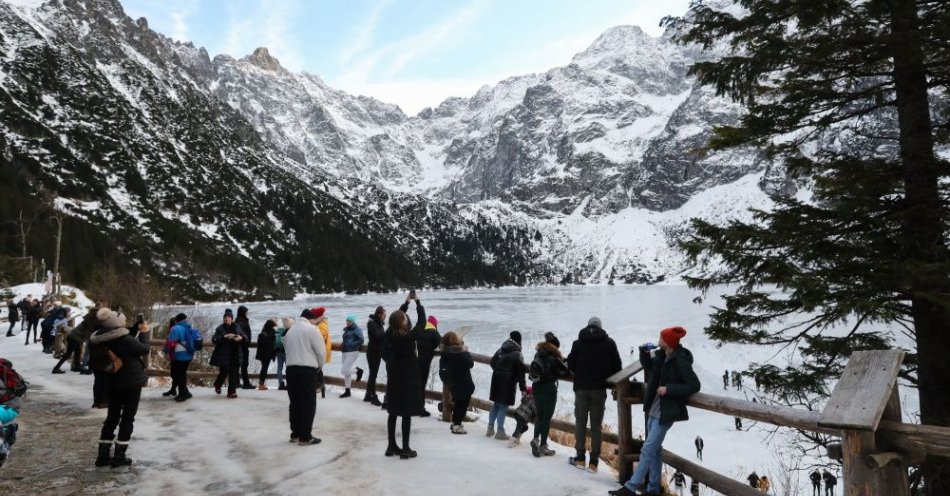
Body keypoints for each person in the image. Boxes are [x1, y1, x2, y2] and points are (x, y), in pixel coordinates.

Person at [609, 326, 701, 496]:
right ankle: (653, 489)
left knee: (648, 448)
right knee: (655, 450)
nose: (658, 340)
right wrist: (643, 353)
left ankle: (630, 487)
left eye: (661, 338)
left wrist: (669, 389)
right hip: (653, 409)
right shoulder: (661, 355)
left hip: (666, 412)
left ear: (667, 342)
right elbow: (648, 365)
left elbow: (694, 385)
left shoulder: (680, 360)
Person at [90, 308, 149, 467]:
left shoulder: (98, 337)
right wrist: (144, 333)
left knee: (112, 417)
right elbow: (144, 349)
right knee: (128, 418)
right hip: (131, 383)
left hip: (111, 382)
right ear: (116, 323)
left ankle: (102, 456)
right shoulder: (124, 340)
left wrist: (135, 328)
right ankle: (119, 456)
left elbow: (122, 335)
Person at [567, 316, 622, 473]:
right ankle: (594, 462)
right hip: (599, 389)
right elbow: (617, 367)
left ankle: (579, 458)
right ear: (600, 327)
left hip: (581, 388)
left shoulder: (578, 343)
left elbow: (570, 365)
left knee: (580, 423)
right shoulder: (609, 343)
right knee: (596, 426)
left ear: (588, 326)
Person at [381, 294, 426, 459]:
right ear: (402, 322)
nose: (406, 319)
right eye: (404, 318)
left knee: (393, 411)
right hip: (409, 377)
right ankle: (406, 448)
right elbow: (422, 321)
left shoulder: (389, 334)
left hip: (394, 376)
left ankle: (391, 445)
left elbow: (385, 353)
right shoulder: (409, 336)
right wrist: (418, 302)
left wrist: (406, 303)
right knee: (406, 413)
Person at [284, 308, 327, 446]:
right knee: (308, 403)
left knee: (295, 402)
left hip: (290, 369)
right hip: (306, 370)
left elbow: (286, 349)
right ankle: (305, 436)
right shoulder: (312, 329)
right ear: (312, 319)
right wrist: (319, 366)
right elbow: (321, 352)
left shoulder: (290, 331)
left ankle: (295, 433)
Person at [529, 332, 567, 459]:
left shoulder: (538, 353)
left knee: (539, 415)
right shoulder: (554, 358)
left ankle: (535, 439)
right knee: (546, 418)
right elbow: (564, 370)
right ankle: (543, 445)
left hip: (536, 388)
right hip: (549, 389)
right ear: (555, 347)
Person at [487, 331, 526, 441]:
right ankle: (500, 431)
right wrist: (522, 388)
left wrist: (499, 371)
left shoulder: (501, 349)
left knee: (496, 405)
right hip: (507, 383)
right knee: (503, 407)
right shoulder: (518, 354)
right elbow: (521, 373)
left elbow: (492, 363)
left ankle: (490, 429)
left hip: (496, 381)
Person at [404, 302, 439, 418]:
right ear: (434, 324)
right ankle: (420, 408)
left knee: (415, 384)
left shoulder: (419, 330)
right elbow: (440, 344)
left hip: (415, 361)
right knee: (421, 386)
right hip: (424, 363)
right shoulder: (434, 332)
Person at [438, 331, 474, 434]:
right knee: (462, 405)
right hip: (464, 383)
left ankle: (455, 423)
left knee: (458, 403)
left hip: (453, 384)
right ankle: (457, 425)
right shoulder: (459, 353)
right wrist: (465, 350)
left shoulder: (444, 353)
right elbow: (470, 364)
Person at [209, 309, 248, 398]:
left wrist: (241, 338)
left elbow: (245, 337)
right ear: (223, 319)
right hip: (223, 355)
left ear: (232, 318)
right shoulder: (220, 329)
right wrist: (223, 336)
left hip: (235, 354)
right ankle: (217, 384)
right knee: (224, 372)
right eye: (225, 317)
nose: (227, 319)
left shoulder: (237, 327)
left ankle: (231, 392)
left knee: (233, 373)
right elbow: (214, 339)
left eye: (228, 317)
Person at [163, 313, 197, 402]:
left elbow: (171, 342)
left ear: (177, 320)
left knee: (179, 375)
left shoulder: (175, 328)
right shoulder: (189, 327)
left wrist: (166, 350)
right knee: (182, 374)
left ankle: (183, 394)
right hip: (189, 355)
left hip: (180, 355)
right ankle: (186, 393)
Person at [364, 306, 386, 406]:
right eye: (384, 315)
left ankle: (368, 395)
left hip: (377, 352)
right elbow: (377, 337)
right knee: (373, 374)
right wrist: (387, 335)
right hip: (373, 352)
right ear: (379, 315)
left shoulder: (379, 323)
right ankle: (373, 396)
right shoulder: (372, 324)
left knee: (373, 374)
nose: (385, 317)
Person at [340, 315, 365, 398]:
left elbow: (361, 339)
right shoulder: (347, 329)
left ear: (353, 321)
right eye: (347, 320)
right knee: (347, 373)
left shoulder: (357, 329)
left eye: (349, 321)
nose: (347, 322)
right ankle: (347, 391)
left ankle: (358, 371)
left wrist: (352, 345)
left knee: (344, 370)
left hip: (352, 352)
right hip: (345, 352)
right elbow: (346, 340)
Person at [312, 307, 332, 398]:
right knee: (317, 369)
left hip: (320, 351)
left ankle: (320, 385)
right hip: (320, 350)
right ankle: (320, 385)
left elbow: (319, 339)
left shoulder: (321, 326)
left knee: (317, 369)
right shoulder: (320, 325)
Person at [235, 306, 254, 390]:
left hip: (243, 346)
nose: (247, 313)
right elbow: (241, 333)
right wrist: (245, 339)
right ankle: (245, 383)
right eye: (245, 312)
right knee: (243, 365)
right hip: (242, 346)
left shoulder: (241, 320)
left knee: (241, 365)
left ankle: (238, 382)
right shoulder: (241, 321)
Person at [255, 319, 277, 390]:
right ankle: (261, 384)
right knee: (264, 369)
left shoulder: (263, 333)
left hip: (262, 354)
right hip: (267, 354)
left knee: (263, 369)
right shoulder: (272, 333)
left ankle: (261, 383)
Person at [275, 317, 292, 390]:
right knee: (288, 368)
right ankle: (289, 384)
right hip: (285, 352)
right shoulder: (287, 331)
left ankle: (280, 383)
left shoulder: (278, 331)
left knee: (279, 368)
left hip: (278, 351)